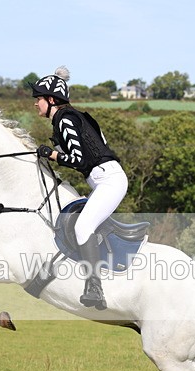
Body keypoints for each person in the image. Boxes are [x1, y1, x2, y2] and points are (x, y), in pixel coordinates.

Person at [31, 66, 128, 311]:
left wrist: (51, 154)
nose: (35, 104)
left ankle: (95, 288)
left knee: (83, 226)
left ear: (51, 100)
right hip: (103, 179)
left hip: (108, 180)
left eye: (38, 99)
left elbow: (79, 160)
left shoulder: (65, 119)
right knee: (73, 220)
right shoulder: (71, 117)